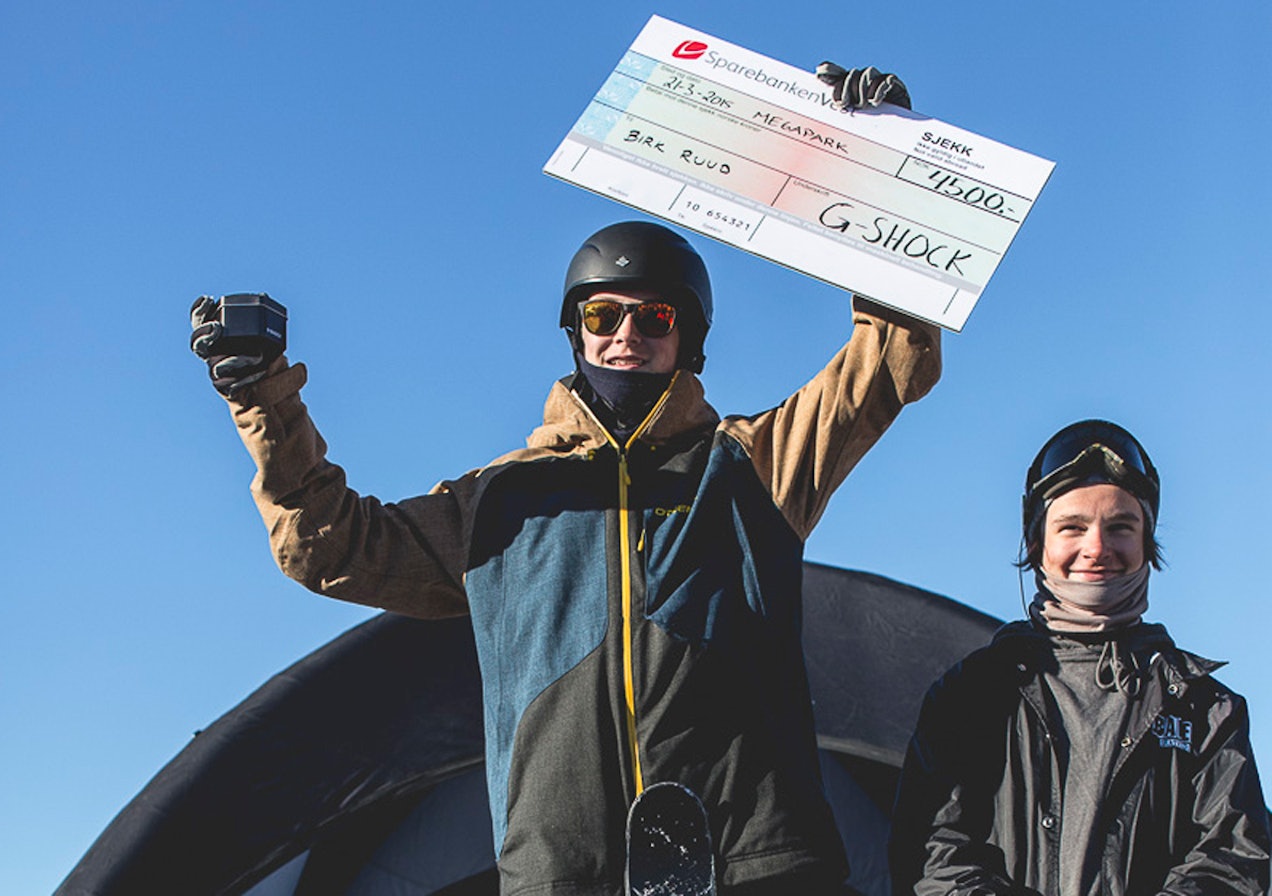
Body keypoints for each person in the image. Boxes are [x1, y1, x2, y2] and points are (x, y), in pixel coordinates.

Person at [191, 69, 937, 896]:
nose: (626, 336)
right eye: (602, 315)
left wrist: (881, 175)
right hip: (564, 871)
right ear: (575, 331)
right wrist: (261, 399)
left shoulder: (752, 465)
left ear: (687, 340)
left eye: (655, 318)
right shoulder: (501, 501)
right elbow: (328, 545)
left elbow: (886, 363)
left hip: (755, 863)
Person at [888, 420, 1271, 896]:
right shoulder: (969, 696)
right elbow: (933, 854)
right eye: (1072, 527)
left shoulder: (1207, 709)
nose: (1097, 547)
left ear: (1147, 544)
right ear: (1036, 545)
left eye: (1120, 527)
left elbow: (1235, 858)